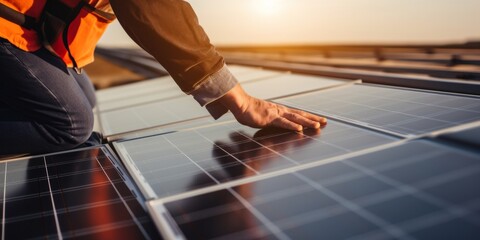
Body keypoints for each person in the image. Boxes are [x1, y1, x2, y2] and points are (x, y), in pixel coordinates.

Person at [0, 0, 326, 156]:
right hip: (6, 25)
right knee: (71, 124)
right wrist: (238, 99)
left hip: (25, 28)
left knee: (86, 100)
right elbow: (151, 7)